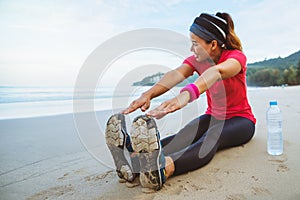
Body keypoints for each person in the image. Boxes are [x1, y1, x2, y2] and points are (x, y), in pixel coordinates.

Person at [105, 12, 256, 192]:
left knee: (212, 137)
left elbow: (217, 72)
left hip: (241, 121)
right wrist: (148, 94)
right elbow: (175, 75)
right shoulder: (198, 60)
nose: (192, 49)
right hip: (213, 115)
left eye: (195, 43)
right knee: (185, 136)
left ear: (213, 45)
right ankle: (133, 159)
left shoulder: (236, 57)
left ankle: (163, 169)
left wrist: (186, 95)